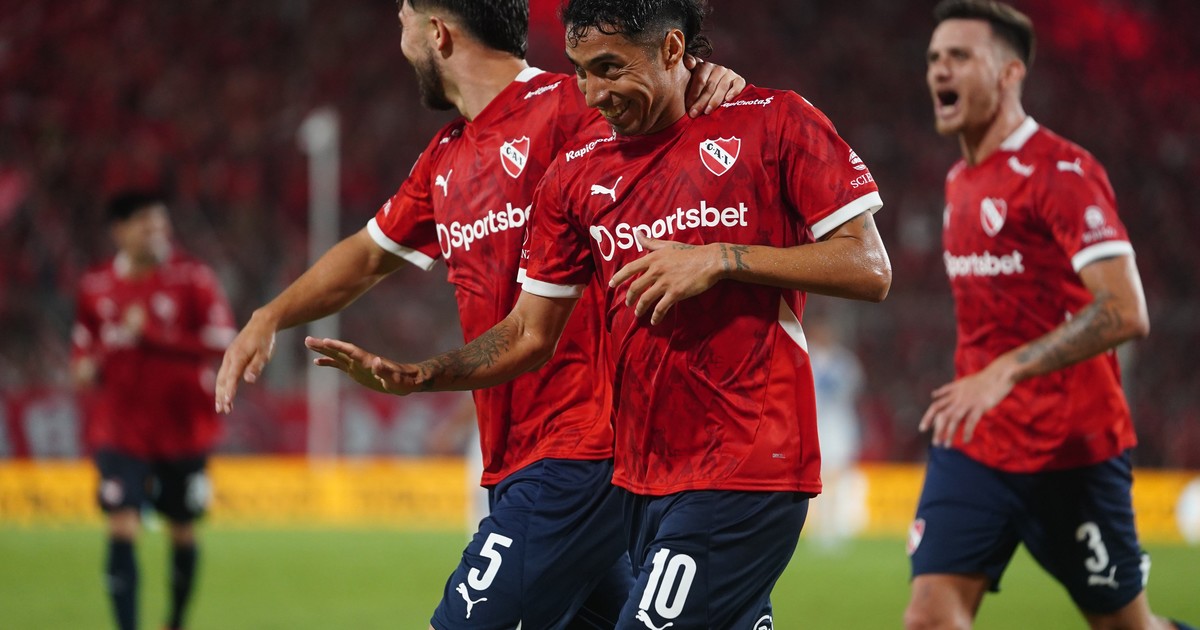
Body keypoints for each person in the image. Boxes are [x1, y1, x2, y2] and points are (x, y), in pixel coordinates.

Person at [304, 0, 891, 625]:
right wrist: (423, 375)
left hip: (744, 465)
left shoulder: (772, 122)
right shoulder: (575, 176)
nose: (593, 92)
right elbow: (529, 332)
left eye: (610, 68)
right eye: (580, 70)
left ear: (672, 49)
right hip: (640, 480)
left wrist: (723, 258)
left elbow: (868, 267)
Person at [214, 1, 745, 627]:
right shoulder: (446, 157)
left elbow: (665, 103)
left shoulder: (568, 105)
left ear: (437, 33)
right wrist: (270, 315)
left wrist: (707, 79)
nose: (401, 45)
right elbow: (367, 255)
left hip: (585, 447)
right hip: (519, 455)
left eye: (403, 25)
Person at [907, 2, 1195, 629]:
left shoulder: (1062, 172)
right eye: (933, 58)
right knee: (929, 616)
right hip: (978, 444)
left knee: (1126, 627)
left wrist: (1006, 370)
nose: (939, 70)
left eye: (960, 57)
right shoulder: (959, 181)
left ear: (1010, 73)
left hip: (1073, 451)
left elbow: (1126, 310)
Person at [71, 191, 236, 630]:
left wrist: (155, 337)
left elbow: (223, 341)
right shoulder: (96, 286)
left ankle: (175, 622)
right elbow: (82, 351)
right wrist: (86, 366)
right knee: (121, 524)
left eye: (161, 224)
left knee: (182, 529)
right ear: (120, 231)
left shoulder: (193, 278)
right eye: (146, 224)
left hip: (183, 429)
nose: (158, 232)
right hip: (120, 430)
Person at [806, 314, 867, 549]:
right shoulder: (806, 356)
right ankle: (819, 527)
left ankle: (834, 526)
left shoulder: (844, 362)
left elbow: (853, 388)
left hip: (837, 425)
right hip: (814, 424)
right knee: (817, 476)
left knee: (837, 476)